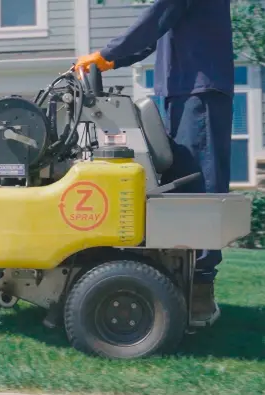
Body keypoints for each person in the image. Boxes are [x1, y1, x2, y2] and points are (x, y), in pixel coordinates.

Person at [72, 0, 234, 324]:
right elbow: (153, 35)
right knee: (177, 185)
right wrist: (107, 62)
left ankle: (200, 289)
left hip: (198, 92)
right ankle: (179, 282)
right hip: (183, 91)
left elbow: (157, 16)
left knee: (198, 189)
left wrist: (107, 54)